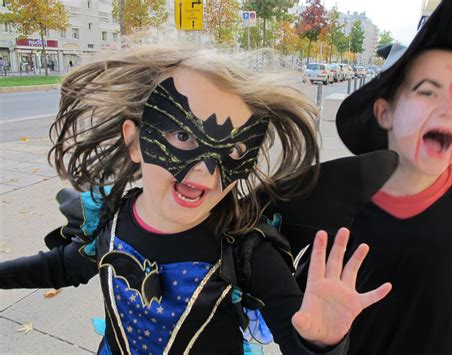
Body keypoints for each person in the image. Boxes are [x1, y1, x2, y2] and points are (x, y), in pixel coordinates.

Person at [0, 43, 391, 354]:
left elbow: (299, 340)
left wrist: (321, 344)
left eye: (234, 150)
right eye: (183, 137)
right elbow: (62, 267)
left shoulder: (248, 252)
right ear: (135, 140)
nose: (207, 170)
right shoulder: (112, 222)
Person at [265, 0, 452, 354]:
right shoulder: (332, 205)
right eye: (427, 91)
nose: (449, 109)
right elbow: (303, 325)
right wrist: (318, 342)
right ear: (385, 112)